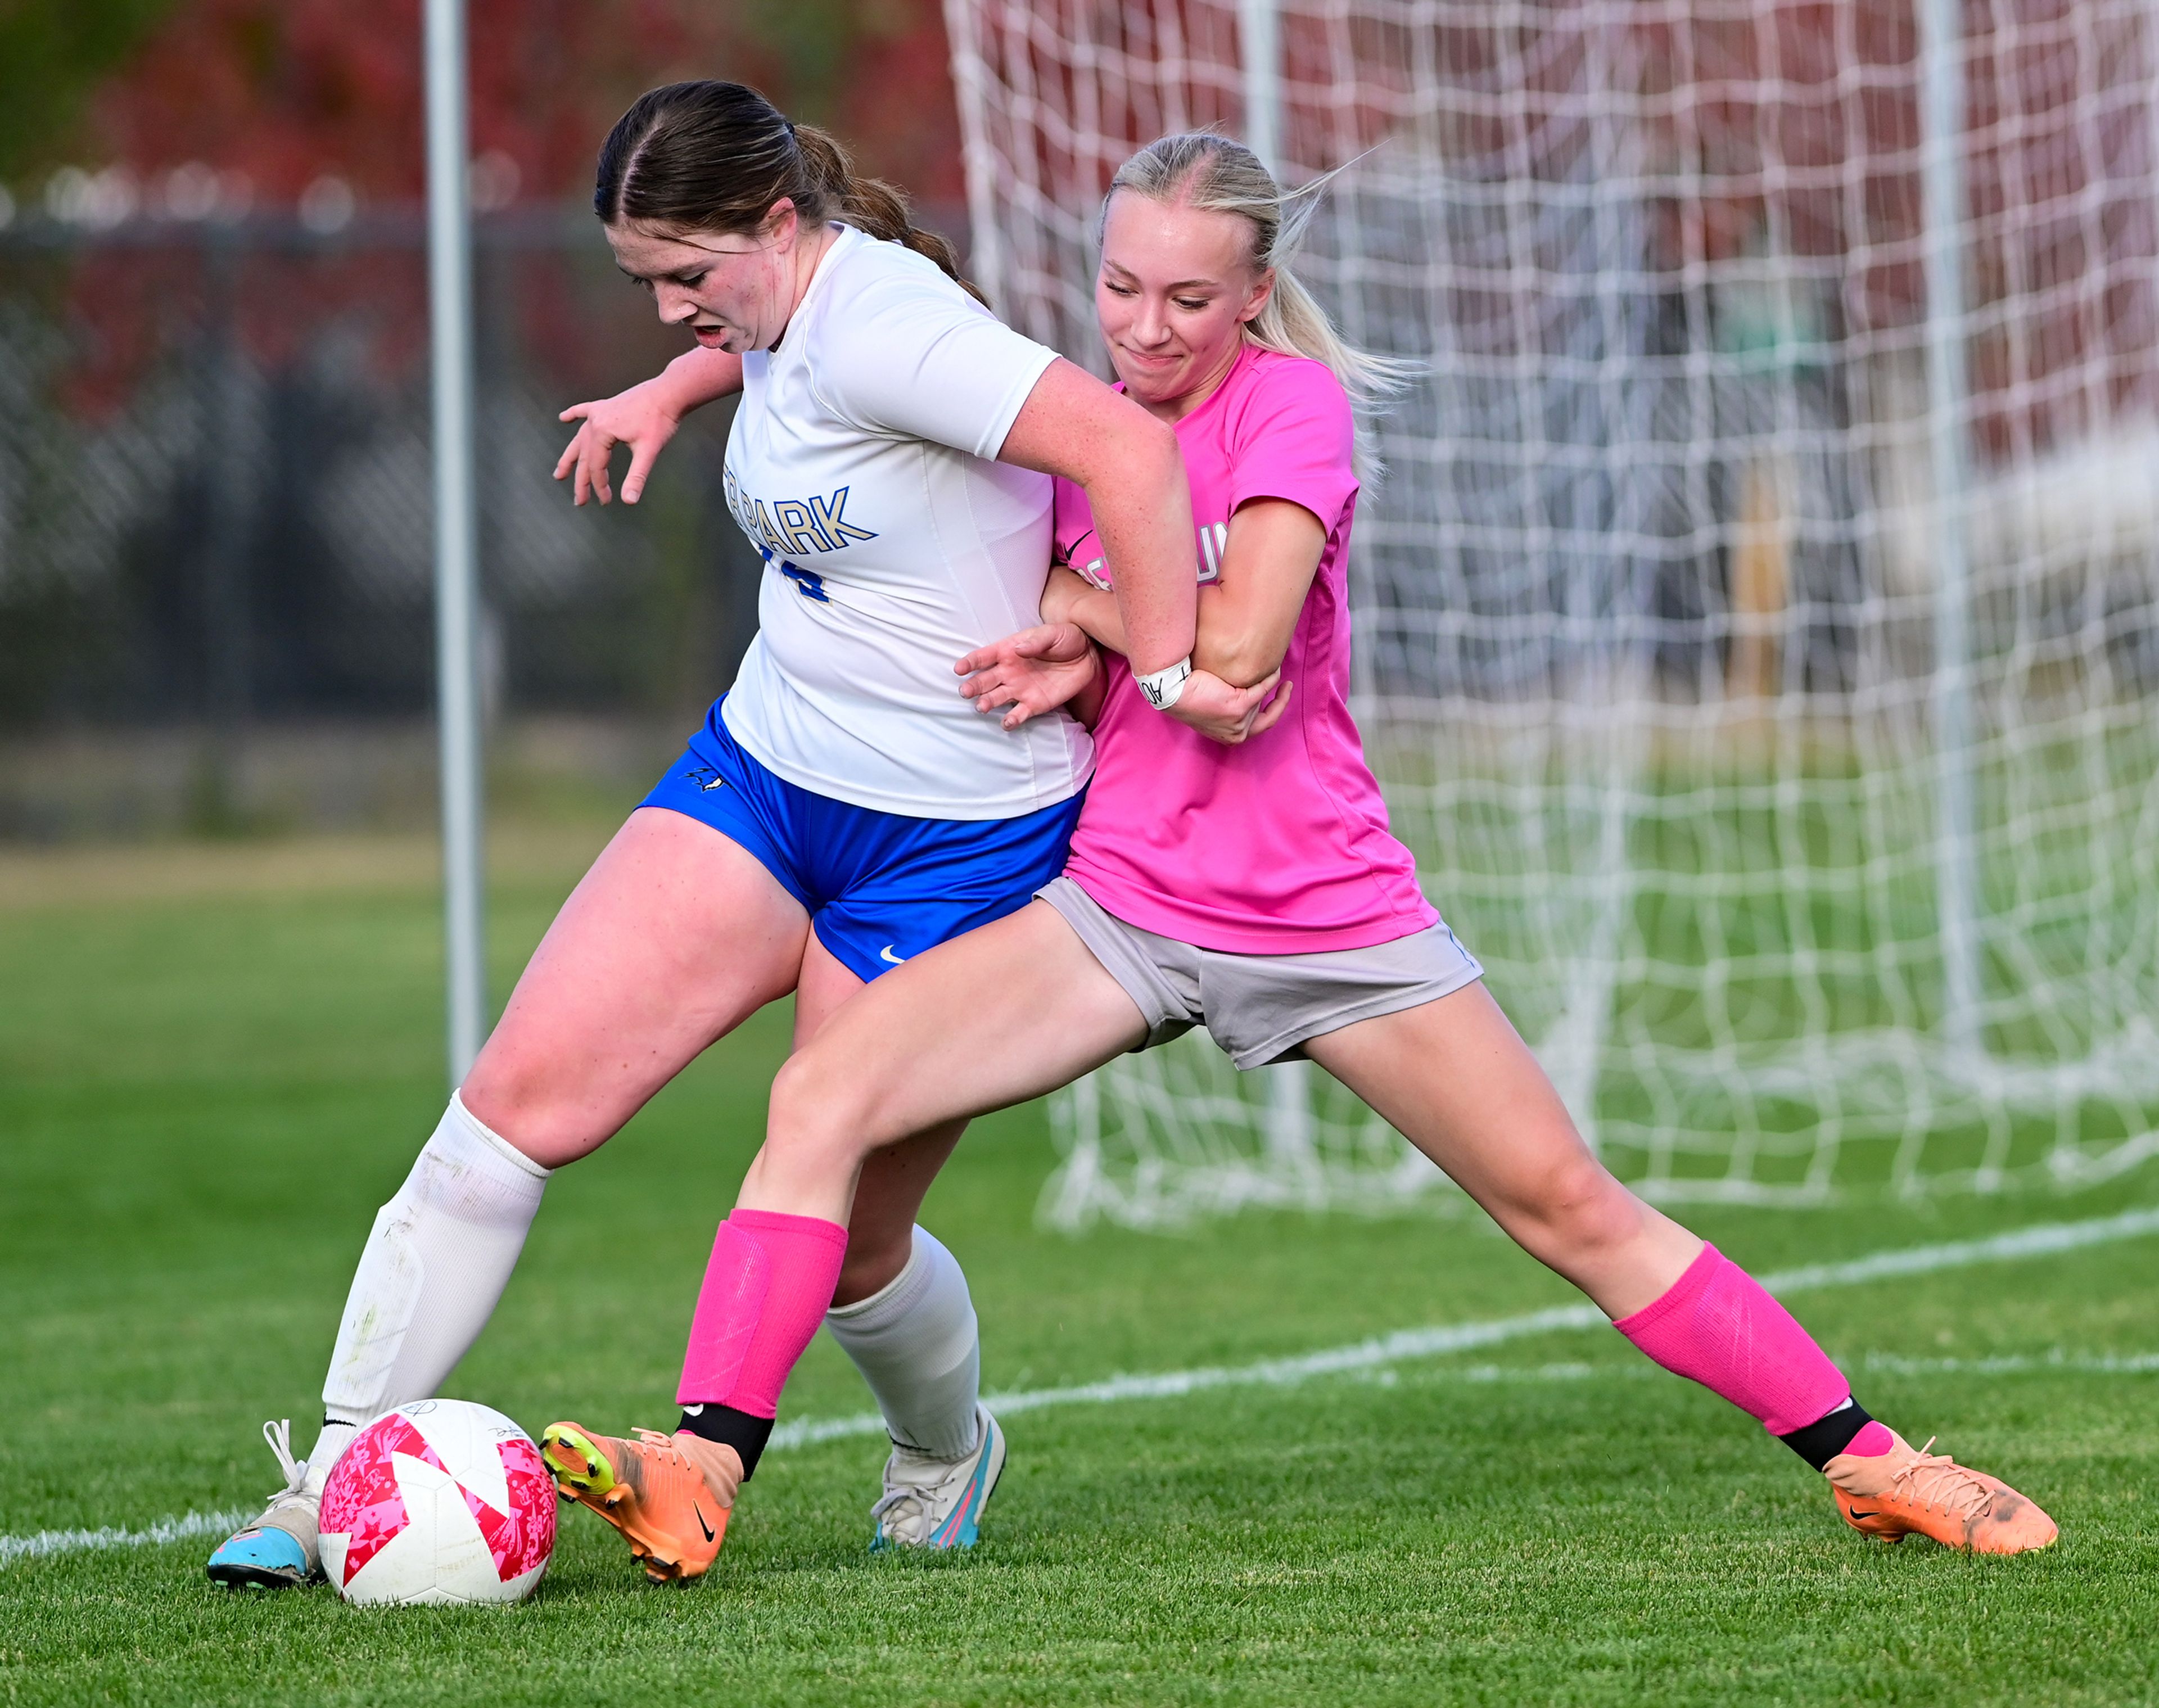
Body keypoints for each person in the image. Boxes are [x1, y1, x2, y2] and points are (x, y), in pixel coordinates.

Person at [548, 132, 2060, 1581]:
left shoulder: (1293, 414)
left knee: (1565, 1205)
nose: (1146, 330)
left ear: (1255, 294)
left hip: (1320, 913)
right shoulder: (1068, 412)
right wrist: (683, 385)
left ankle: (1872, 1460)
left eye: (1190, 299)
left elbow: (1243, 651)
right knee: (821, 1095)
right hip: (1119, 906)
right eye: (1122, 289)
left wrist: (1080, 619)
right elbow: (826, 342)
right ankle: (702, 1468)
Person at [204, 82, 1273, 1589]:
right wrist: (674, 389)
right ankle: (333, 1482)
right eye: (645, 283)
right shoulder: (782, 312)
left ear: (782, 225)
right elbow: (780, 355)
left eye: (688, 281)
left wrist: (1163, 674)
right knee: (514, 1101)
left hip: (957, 842)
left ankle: (947, 1441)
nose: (671, 312)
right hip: (766, 774)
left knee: (848, 1246)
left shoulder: (893, 321)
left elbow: (1130, 453)